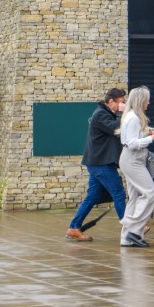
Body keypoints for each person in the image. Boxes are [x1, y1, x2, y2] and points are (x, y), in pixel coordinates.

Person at [66, 88, 128, 242]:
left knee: (92, 196)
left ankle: (74, 227)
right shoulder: (100, 114)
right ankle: (131, 227)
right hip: (101, 163)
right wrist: (125, 113)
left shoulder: (106, 113)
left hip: (98, 162)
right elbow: (116, 129)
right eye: (121, 102)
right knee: (119, 192)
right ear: (111, 101)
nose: (123, 105)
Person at [119, 86, 154, 248]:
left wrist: (147, 133)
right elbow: (132, 144)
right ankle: (133, 228)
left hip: (132, 159)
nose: (149, 102)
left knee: (135, 197)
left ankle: (126, 238)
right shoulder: (133, 118)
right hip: (133, 160)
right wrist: (152, 138)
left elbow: (132, 138)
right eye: (147, 99)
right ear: (141, 101)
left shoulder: (132, 117)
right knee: (150, 193)